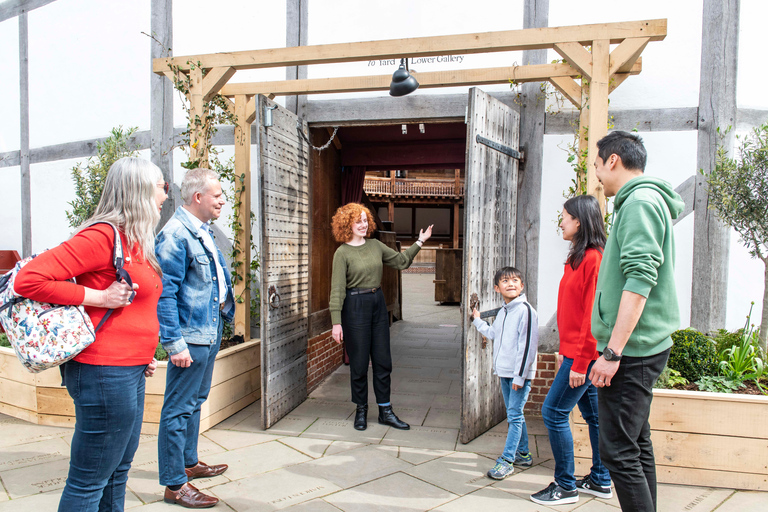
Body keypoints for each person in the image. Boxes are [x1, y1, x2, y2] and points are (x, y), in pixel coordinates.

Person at [14, 157, 166, 511]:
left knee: (117, 470)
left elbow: (139, 309)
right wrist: (99, 297)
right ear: (139, 190)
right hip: (102, 371)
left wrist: (142, 355)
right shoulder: (101, 236)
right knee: (89, 480)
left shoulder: (136, 240)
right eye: (161, 186)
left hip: (128, 370)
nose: (165, 193)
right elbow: (29, 279)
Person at [588, 131, 684, 512]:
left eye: (596, 165)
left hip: (631, 352)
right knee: (635, 443)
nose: (596, 174)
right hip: (639, 349)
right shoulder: (642, 200)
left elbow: (640, 280)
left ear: (613, 160)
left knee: (617, 452)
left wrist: (612, 351)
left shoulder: (639, 203)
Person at [156, 168, 234, 508]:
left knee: (196, 401)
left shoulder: (202, 230)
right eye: (217, 195)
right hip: (189, 336)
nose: (222, 200)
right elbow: (165, 294)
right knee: (177, 410)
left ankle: (189, 462)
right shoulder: (175, 235)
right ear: (197, 197)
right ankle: (175, 484)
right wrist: (174, 343)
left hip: (209, 329)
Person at [530, 195, 612, 506]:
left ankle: (565, 486)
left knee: (552, 412)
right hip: (576, 353)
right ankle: (601, 479)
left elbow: (594, 315)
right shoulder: (577, 256)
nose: (561, 222)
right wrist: (567, 351)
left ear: (579, 220)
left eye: (564, 216)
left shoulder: (594, 258)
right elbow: (572, 310)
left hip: (584, 357)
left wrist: (579, 361)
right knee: (593, 417)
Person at [330, 203, 432, 431]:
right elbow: (337, 290)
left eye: (365, 220)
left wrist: (420, 241)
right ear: (348, 224)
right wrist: (336, 322)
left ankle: (385, 411)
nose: (363, 224)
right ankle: (361, 410)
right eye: (358, 221)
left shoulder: (376, 245)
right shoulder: (342, 253)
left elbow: (401, 262)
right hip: (354, 307)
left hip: (377, 303)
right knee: (358, 364)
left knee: (383, 360)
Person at [471, 266, 538, 481]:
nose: (511, 284)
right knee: (514, 414)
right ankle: (524, 454)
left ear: (522, 286)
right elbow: (493, 334)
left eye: (515, 280)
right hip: (505, 372)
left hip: (518, 375)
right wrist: (477, 321)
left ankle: (507, 461)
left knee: (515, 416)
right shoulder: (503, 312)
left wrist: (520, 376)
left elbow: (527, 346)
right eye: (505, 281)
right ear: (497, 288)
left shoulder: (526, 310)